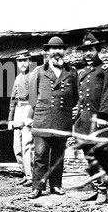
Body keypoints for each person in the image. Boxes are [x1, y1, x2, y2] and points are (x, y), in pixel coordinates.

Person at [28, 36, 79, 199]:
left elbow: (75, 97)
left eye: (60, 49)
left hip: (62, 119)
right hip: (43, 118)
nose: (56, 52)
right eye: (53, 49)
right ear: (48, 52)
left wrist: (62, 110)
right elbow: (32, 97)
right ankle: (37, 186)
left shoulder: (72, 72)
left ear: (64, 52)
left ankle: (56, 185)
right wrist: (43, 110)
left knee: (58, 155)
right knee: (40, 154)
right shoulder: (39, 71)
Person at [73, 33, 108, 205]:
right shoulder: (82, 72)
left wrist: (103, 116)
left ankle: (104, 191)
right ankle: (96, 188)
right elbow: (80, 99)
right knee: (89, 157)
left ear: (97, 50)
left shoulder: (106, 70)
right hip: (84, 122)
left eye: (90, 50)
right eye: (85, 51)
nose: (87, 54)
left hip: (98, 121)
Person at [8, 50, 34, 187]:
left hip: (28, 109)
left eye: (25, 60)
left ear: (29, 61)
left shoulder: (33, 76)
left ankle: (31, 176)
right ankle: (24, 173)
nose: (22, 63)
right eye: (20, 61)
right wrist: (10, 120)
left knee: (26, 144)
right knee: (16, 145)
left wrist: (31, 117)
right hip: (18, 110)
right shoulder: (18, 78)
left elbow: (37, 99)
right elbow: (12, 100)